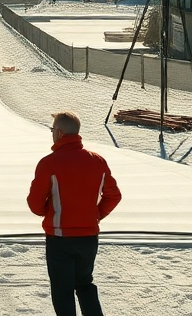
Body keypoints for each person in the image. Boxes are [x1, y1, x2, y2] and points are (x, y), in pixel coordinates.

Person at [27, 111, 122, 316]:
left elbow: (34, 203)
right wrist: (96, 215)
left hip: (60, 238)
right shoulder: (97, 161)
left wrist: (48, 212)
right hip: (88, 237)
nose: (51, 133)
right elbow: (114, 196)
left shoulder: (49, 163)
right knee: (85, 284)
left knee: (62, 291)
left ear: (60, 133)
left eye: (52, 130)